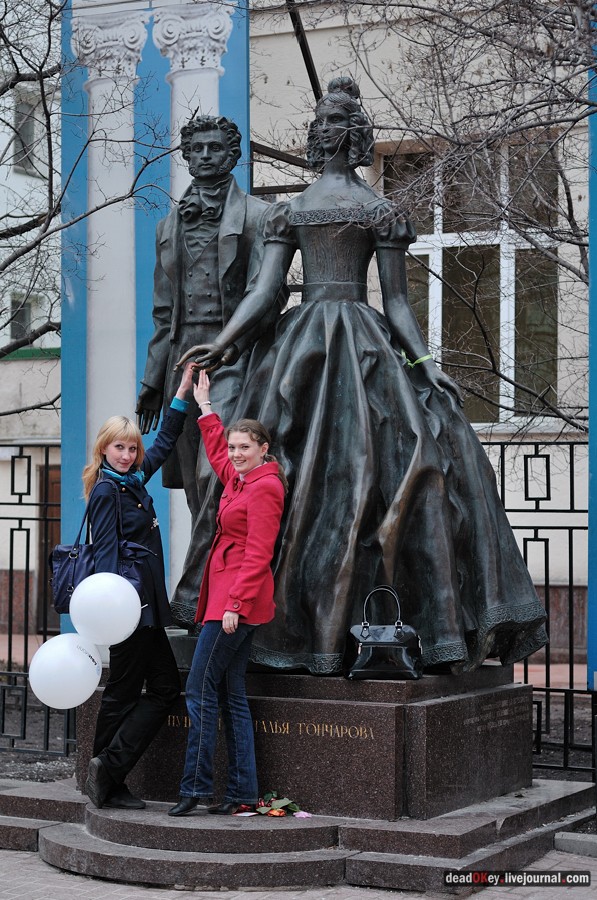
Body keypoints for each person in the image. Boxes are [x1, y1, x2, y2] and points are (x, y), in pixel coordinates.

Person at [177, 76, 547, 676]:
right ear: (316, 137)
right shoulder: (289, 211)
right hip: (302, 350)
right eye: (322, 124)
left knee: (395, 465)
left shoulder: (381, 211)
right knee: (287, 473)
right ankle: (279, 619)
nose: (328, 133)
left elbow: (398, 302)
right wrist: (221, 343)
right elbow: (267, 289)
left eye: (339, 126)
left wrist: (426, 366)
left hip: (365, 345)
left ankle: (377, 624)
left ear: (354, 138)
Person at [136, 114, 286, 629]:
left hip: (234, 355)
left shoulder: (262, 216)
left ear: (232, 155)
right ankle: (207, 589)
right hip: (182, 357)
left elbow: (266, 296)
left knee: (215, 468)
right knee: (199, 488)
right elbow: (162, 311)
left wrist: (230, 346)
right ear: (186, 155)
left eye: (214, 148)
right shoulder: (167, 225)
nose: (204, 156)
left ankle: (195, 592)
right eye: (195, 148)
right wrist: (152, 380)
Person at [168, 370, 286, 817]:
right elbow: (218, 455)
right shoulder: (242, 478)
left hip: (236, 603)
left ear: (263, 450)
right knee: (231, 693)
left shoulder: (266, 488)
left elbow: (259, 554)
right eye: (235, 447)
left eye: (245, 448)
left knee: (199, 689)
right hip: (228, 599)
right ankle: (241, 793)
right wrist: (207, 409)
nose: (236, 454)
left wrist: (235, 605)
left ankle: (195, 786)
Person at [84, 363, 195, 810]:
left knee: (162, 688)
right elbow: (106, 558)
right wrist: (121, 611)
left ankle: (106, 770)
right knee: (124, 693)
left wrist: (182, 393)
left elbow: (165, 441)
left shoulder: (131, 481)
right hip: (127, 609)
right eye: (119, 448)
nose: (128, 455)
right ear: (104, 449)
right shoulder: (106, 492)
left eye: (132, 448)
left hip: (145, 608)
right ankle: (107, 773)